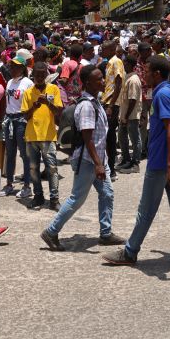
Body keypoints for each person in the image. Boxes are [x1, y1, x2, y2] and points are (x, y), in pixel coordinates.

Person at [103, 56, 170, 275]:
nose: (144, 75)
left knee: (146, 210)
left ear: (157, 74)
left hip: (162, 162)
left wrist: (169, 167)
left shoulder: (162, 94)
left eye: (147, 71)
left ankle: (130, 252)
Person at [40, 65, 126, 250]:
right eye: (99, 79)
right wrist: (98, 164)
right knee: (76, 198)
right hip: (88, 161)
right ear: (87, 83)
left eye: (102, 78)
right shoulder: (87, 105)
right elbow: (87, 137)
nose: (103, 81)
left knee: (107, 193)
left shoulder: (95, 101)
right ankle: (51, 231)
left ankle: (106, 233)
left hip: (98, 160)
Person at [21, 62, 63, 209]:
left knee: (52, 168)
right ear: (33, 75)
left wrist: (48, 103)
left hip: (48, 135)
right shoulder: (28, 93)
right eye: (36, 75)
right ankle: (38, 196)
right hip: (31, 136)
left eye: (42, 74)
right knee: (33, 168)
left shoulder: (54, 89)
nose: (39, 77)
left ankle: (54, 199)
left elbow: (59, 112)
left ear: (46, 75)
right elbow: (25, 116)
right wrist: (35, 106)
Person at [0, 56, 34, 198]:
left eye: (16, 66)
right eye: (11, 66)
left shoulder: (28, 83)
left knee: (25, 155)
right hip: (9, 120)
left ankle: (27, 186)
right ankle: (9, 184)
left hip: (21, 121)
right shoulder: (9, 83)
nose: (13, 69)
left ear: (23, 68)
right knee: (10, 153)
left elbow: (32, 104)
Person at [100, 40, 123, 180]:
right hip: (106, 101)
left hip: (112, 104)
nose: (101, 50)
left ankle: (112, 169)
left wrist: (110, 105)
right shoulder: (108, 62)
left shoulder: (116, 61)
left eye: (104, 48)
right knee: (106, 136)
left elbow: (119, 84)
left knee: (110, 137)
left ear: (111, 49)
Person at [115, 55, 142, 173]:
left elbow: (133, 100)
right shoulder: (127, 77)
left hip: (131, 115)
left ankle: (135, 163)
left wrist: (126, 116)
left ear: (130, 65)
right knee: (121, 137)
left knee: (135, 138)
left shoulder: (134, 80)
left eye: (125, 63)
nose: (124, 66)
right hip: (124, 114)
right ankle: (126, 159)